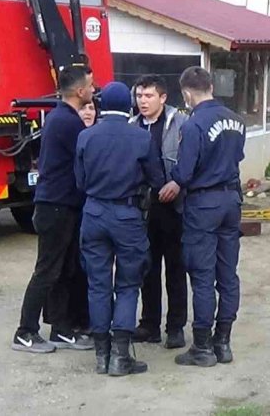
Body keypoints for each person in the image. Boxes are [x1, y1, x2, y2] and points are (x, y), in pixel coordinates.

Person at [76, 81, 160, 376]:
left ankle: (101, 356)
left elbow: (80, 182)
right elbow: (156, 178)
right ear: (130, 106)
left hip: (94, 212)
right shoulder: (140, 138)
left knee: (98, 284)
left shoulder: (86, 136)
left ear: (101, 105)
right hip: (127, 215)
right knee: (127, 284)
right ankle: (120, 357)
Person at [164, 66, 246, 368]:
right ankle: (223, 342)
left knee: (201, 275)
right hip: (231, 200)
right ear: (211, 85)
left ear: (187, 93)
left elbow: (184, 172)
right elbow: (237, 158)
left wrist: (172, 177)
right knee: (228, 274)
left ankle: (201, 346)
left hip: (203, 203)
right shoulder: (237, 120)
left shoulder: (195, 123)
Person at [12, 66, 95, 353]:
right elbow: (88, 160)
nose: (93, 91)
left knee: (65, 269)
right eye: (91, 86)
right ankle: (25, 332)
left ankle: (61, 329)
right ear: (79, 91)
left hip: (65, 206)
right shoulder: (66, 122)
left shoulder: (64, 118)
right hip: (55, 207)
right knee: (47, 270)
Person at [129, 75, 189, 349]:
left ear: (163, 98)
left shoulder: (180, 124)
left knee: (176, 270)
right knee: (147, 270)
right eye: (139, 96)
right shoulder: (132, 127)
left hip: (174, 210)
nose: (143, 101)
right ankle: (149, 324)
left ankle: (175, 327)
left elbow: (192, 160)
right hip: (144, 211)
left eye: (148, 96)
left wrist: (178, 183)